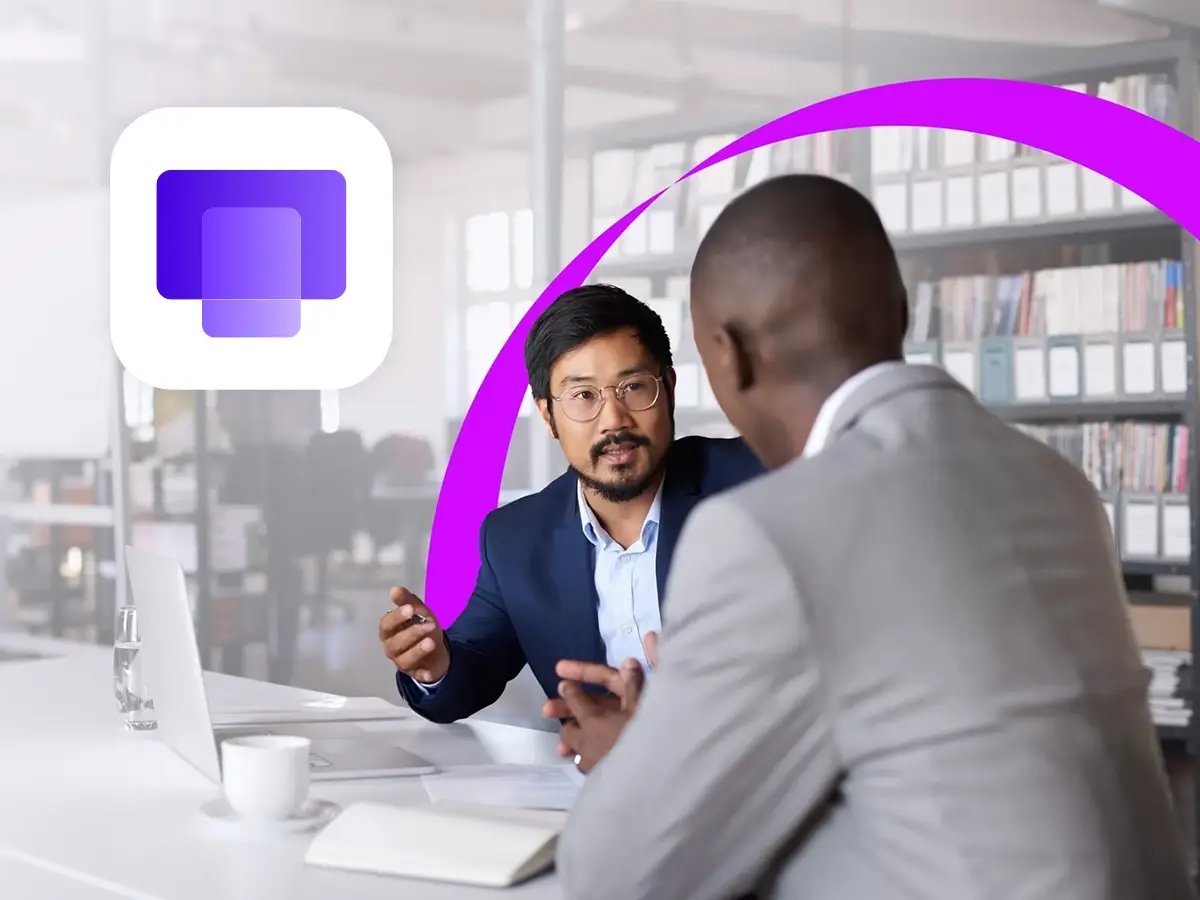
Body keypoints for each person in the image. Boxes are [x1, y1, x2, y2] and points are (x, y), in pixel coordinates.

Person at [553, 174, 1195, 899]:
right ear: (902, 308)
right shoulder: (1058, 483)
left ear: (727, 354)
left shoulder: (767, 532)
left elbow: (618, 875)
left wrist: (645, 760)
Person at [378, 284, 764, 724]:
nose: (614, 419)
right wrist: (433, 666)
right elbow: (471, 672)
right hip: (605, 787)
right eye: (583, 396)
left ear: (669, 388)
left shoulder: (757, 478)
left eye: (634, 387)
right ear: (546, 415)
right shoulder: (516, 539)